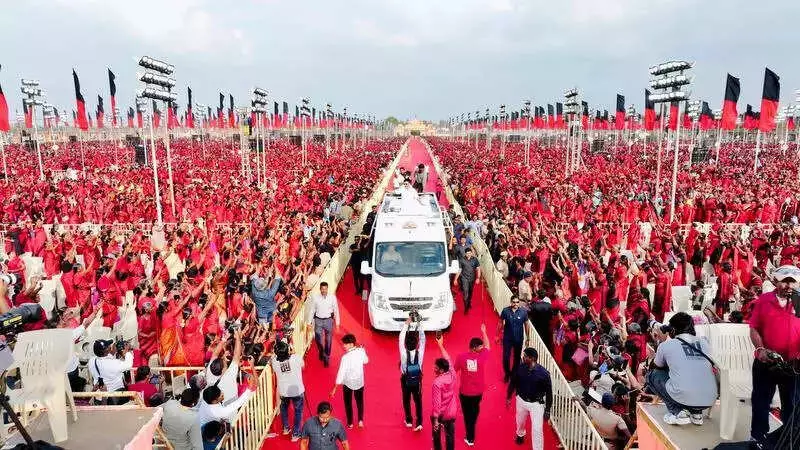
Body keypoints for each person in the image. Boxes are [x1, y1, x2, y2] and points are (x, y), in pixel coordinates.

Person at [748, 265, 800, 445]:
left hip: (793, 364)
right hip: (766, 361)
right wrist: (760, 349)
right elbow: (754, 328)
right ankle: (757, 437)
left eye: (793, 282)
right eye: (785, 281)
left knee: (792, 405)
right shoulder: (764, 300)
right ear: (776, 281)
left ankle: (788, 441)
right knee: (761, 401)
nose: (789, 286)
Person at [646, 312, 718, 426]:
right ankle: (696, 413)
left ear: (673, 330)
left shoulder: (666, 345)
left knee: (652, 376)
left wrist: (660, 342)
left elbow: (657, 367)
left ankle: (678, 412)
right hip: (709, 398)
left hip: (685, 396)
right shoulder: (705, 343)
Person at [506, 348, 552, 450]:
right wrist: (509, 396)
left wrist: (548, 410)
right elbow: (513, 382)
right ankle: (520, 434)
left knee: (537, 429)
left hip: (536, 404)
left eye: (525, 356)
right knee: (520, 421)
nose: (523, 357)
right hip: (521, 401)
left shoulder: (544, 374)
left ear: (532, 358)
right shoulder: (520, 368)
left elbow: (549, 393)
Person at [453, 324, 491, 446]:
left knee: (466, 414)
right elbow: (488, 346)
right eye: (480, 347)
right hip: (477, 393)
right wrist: (484, 332)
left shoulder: (461, 357)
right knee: (474, 411)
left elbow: (453, 371)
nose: (482, 348)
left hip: (464, 392)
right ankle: (471, 432)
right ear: (474, 348)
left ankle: (470, 435)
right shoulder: (482, 357)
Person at [330, 334, 369, 428]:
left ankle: (350, 423)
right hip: (359, 382)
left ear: (351, 344)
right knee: (360, 402)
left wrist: (335, 388)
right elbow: (366, 361)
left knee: (348, 403)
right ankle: (360, 421)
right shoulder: (361, 351)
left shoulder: (345, 357)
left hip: (348, 383)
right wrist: (363, 350)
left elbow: (341, 372)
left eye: (345, 344)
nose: (343, 346)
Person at [271, 340, 305, 441]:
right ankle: (295, 434)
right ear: (288, 350)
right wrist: (294, 352)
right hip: (297, 390)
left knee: (284, 409)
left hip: (283, 391)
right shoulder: (296, 358)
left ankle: (286, 428)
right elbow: (303, 366)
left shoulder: (274, 362)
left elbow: (276, 358)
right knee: (298, 412)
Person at [88, 338, 134, 405]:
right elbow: (128, 365)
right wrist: (127, 351)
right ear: (106, 350)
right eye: (108, 346)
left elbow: (104, 359)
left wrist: (112, 352)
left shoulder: (91, 361)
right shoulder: (114, 364)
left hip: (99, 395)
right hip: (114, 396)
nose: (110, 346)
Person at [431, 336, 458, 450]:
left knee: (436, 434)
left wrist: (436, 420)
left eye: (436, 367)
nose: (434, 368)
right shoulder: (452, 373)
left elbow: (437, 404)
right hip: (452, 411)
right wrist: (440, 345)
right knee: (450, 435)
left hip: (441, 413)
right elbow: (448, 358)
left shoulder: (437, 383)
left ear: (441, 370)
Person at [399, 316, 426, 431]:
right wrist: (419, 324)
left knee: (406, 400)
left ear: (406, 344)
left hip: (405, 379)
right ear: (416, 344)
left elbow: (401, 338)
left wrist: (406, 324)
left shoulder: (403, 354)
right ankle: (419, 422)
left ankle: (409, 420)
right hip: (417, 380)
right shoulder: (420, 353)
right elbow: (423, 339)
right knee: (418, 401)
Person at [306, 282, 340, 367]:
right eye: (322, 289)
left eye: (325, 289)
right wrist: (309, 322)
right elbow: (312, 310)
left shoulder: (332, 297)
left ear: (327, 289)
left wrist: (337, 323)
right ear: (320, 289)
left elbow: (336, 309)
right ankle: (321, 351)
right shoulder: (315, 298)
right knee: (318, 339)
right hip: (318, 321)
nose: (324, 290)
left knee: (328, 340)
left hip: (328, 320)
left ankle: (326, 356)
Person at [205, 330, 243, 406]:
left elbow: (215, 353)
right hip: (231, 410)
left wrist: (224, 339)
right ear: (222, 370)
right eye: (225, 364)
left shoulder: (210, 370)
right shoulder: (229, 375)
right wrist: (238, 338)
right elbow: (237, 355)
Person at [499, 296, 528, 382]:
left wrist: (528, 337)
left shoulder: (523, 312)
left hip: (519, 339)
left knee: (517, 357)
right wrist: (497, 335)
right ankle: (507, 373)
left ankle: (514, 373)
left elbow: (526, 325)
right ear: (511, 302)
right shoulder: (505, 311)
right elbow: (500, 322)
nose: (516, 304)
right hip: (507, 338)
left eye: (517, 302)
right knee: (506, 357)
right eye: (514, 302)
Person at [453, 247, 481, 314]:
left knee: (470, 292)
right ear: (465, 254)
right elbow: (460, 270)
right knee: (465, 294)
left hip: (472, 278)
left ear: (471, 253)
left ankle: (469, 302)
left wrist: (478, 278)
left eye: (470, 253)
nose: (468, 254)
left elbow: (478, 269)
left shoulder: (475, 259)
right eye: (467, 253)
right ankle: (466, 308)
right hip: (464, 278)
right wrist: (455, 279)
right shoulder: (462, 259)